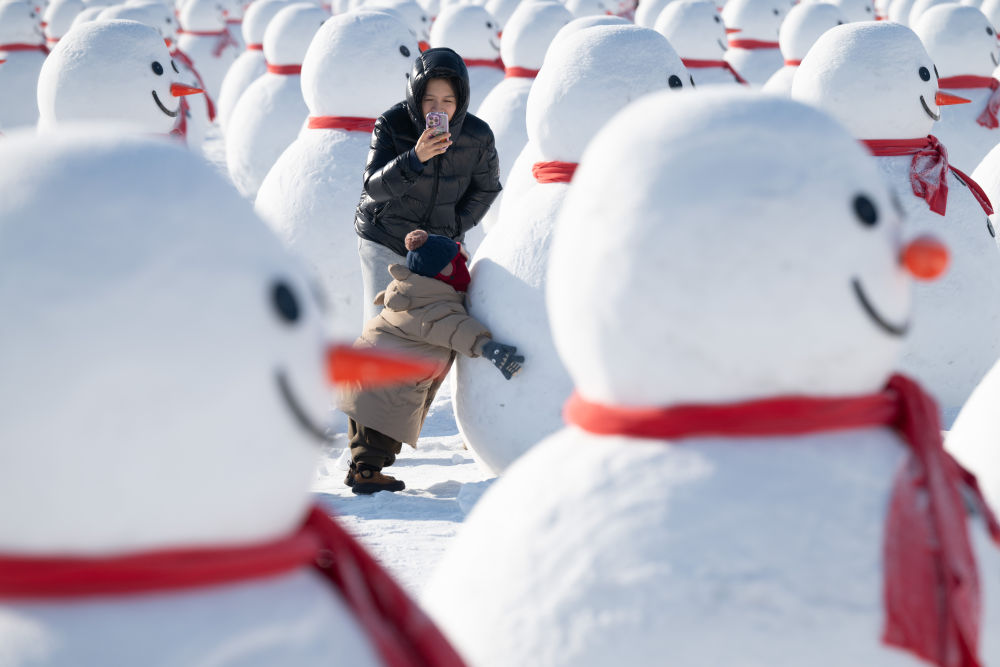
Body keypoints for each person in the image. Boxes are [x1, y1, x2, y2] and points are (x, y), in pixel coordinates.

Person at [339, 230, 524, 494]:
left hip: (365, 371)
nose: (465, 264)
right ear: (447, 271)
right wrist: (489, 348)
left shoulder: (414, 292)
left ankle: (360, 469)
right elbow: (456, 328)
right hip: (385, 382)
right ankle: (367, 473)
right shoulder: (434, 305)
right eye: (459, 262)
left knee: (365, 429)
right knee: (378, 434)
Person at [354, 47, 502, 323]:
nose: (438, 109)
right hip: (385, 237)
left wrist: (454, 227)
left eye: (448, 100)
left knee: (437, 330)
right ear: (415, 97)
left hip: (437, 246)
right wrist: (414, 157)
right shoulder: (391, 124)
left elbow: (487, 188)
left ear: (461, 100)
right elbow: (373, 187)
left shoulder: (477, 136)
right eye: (429, 99)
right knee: (386, 329)